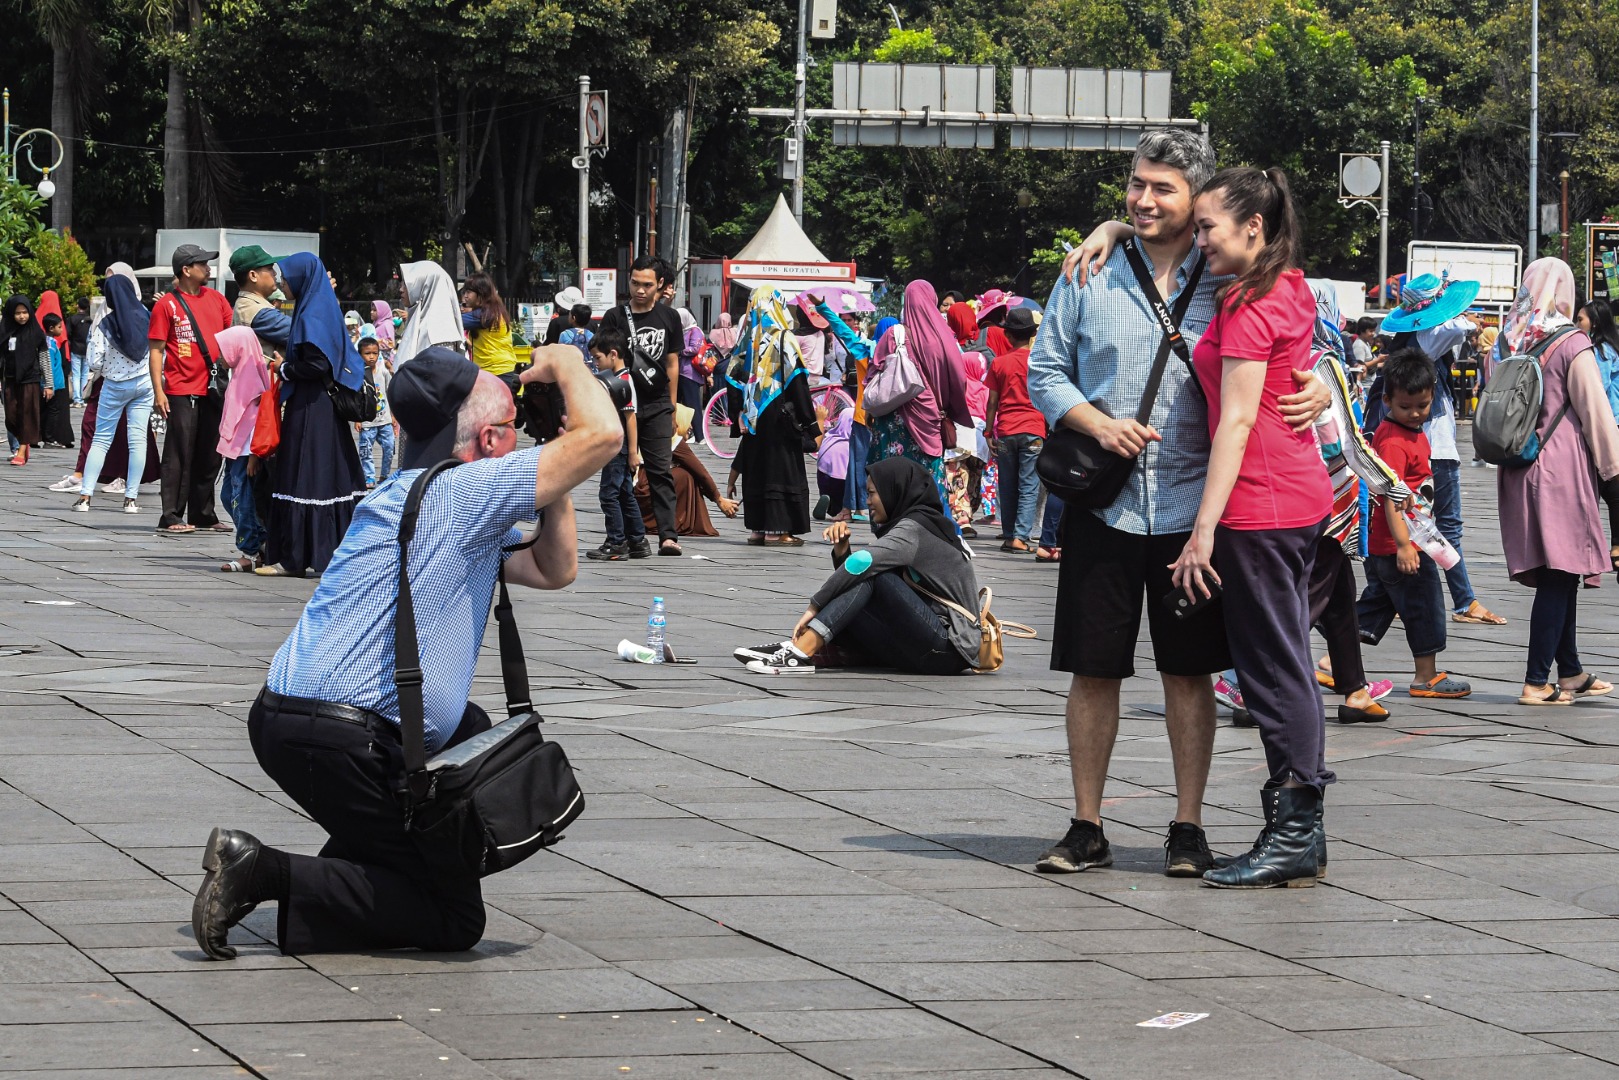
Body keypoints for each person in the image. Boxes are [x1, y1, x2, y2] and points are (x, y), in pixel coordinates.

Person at [189, 345, 621, 959]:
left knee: (431, 825)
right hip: (344, 738)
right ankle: (260, 871)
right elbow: (603, 434)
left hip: (307, 724)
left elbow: (553, 567)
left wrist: (557, 464)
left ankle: (308, 889)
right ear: (491, 441)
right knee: (452, 914)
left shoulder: (423, 493)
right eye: (514, 430)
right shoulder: (461, 496)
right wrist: (568, 363)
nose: (523, 439)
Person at [1030, 129, 1330, 879]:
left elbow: (1298, 344)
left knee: (1186, 673)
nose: (1141, 199)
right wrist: (1096, 422)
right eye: (1134, 185)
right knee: (1092, 668)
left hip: (1197, 507)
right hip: (1104, 502)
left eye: (1162, 188)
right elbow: (1044, 371)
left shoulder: (1226, 269)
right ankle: (1086, 823)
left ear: (1197, 199)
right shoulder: (1088, 269)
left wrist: (1325, 384)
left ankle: (1187, 828)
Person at [1166, 166, 1332, 889]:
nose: (1198, 239)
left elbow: (1234, 420)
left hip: (1260, 504)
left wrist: (1203, 529)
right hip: (1290, 497)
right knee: (1282, 662)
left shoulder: (1251, 305)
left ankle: (1295, 826)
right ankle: (1298, 829)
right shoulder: (1283, 285)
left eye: (1207, 227)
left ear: (1252, 229)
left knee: (1273, 670)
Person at [1490, 259, 1619, 706]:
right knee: (1561, 572)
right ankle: (1536, 680)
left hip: (1517, 467)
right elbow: (1595, 412)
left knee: (1557, 574)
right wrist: (1613, 472)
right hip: (1560, 469)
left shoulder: (1508, 339)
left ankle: (1571, 671)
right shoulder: (1572, 341)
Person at [732, 457, 983, 676]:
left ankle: (802, 650)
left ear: (893, 490)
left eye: (873, 493)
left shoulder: (914, 530)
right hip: (926, 646)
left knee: (873, 575)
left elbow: (863, 567)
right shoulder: (918, 525)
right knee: (868, 578)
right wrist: (842, 550)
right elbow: (858, 583)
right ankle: (807, 649)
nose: (868, 501)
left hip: (949, 649)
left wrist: (813, 608)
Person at [1375, 275, 1507, 626]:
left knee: (1425, 526)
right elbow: (1458, 325)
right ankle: (1464, 601)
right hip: (1435, 450)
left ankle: (1456, 599)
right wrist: (1468, 318)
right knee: (1444, 525)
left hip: (1429, 447)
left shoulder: (1410, 340)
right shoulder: (1428, 338)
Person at [1355, 349, 1471, 701]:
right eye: (1406, 407)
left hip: (1398, 541)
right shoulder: (1392, 440)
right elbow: (1391, 497)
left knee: (1378, 605)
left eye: (1422, 405)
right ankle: (1426, 676)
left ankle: (1333, 658)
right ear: (1387, 399)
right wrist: (1405, 546)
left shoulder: (1412, 432)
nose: (1415, 412)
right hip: (1400, 544)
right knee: (1423, 605)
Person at [258, 252, 369, 578]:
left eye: (285, 278)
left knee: (305, 473)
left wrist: (285, 368)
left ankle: (299, 554)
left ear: (302, 279)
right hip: (322, 406)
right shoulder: (322, 307)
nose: (281, 285)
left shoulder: (312, 315)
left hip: (312, 407)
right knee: (328, 474)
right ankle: (324, 551)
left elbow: (317, 364)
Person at [597, 256, 683, 555]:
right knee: (617, 471)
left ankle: (668, 536)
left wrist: (672, 407)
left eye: (647, 285)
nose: (640, 290)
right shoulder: (614, 316)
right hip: (621, 404)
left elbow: (672, 363)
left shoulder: (669, 318)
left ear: (660, 285)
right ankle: (625, 536)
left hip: (658, 403)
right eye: (635, 283)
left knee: (660, 470)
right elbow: (603, 362)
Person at [723, 288, 819, 546]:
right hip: (779, 414)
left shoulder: (747, 339)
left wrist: (738, 414)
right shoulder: (784, 338)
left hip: (754, 415)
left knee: (757, 467)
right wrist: (811, 423)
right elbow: (797, 381)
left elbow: (731, 377)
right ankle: (778, 531)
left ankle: (757, 529)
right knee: (782, 467)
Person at [869, 281, 972, 519]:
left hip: (893, 419)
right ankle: (929, 525)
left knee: (891, 478)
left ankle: (892, 526)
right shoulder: (944, 338)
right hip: (930, 419)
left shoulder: (894, 334)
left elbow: (875, 369)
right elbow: (958, 377)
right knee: (928, 477)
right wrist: (946, 405)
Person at [149, 243, 233, 536]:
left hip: (213, 388)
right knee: (178, 452)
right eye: (203, 263)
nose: (208, 268)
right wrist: (158, 391)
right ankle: (171, 514)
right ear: (186, 270)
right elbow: (157, 350)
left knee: (210, 452)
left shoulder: (218, 299)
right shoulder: (166, 305)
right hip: (181, 389)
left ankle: (203, 513)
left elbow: (229, 338)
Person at [73, 267, 155, 514]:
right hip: (144, 385)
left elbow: (95, 361)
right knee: (137, 440)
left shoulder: (106, 324)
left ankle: (85, 496)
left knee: (101, 439)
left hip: (114, 385)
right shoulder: (147, 317)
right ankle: (130, 499)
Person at [584, 330, 650, 562]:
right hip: (619, 446)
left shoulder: (622, 381)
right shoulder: (618, 378)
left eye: (598, 358)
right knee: (624, 493)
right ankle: (638, 540)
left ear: (613, 354)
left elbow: (630, 418)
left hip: (619, 447)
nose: (595, 362)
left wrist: (633, 452)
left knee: (608, 494)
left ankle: (616, 541)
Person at [210, 326, 271, 569]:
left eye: (225, 351)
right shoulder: (240, 376)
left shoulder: (251, 380)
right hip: (236, 450)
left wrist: (255, 455)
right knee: (229, 496)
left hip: (246, 452)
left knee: (240, 498)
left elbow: (257, 420)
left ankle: (249, 552)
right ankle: (263, 542)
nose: (221, 357)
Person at [984, 307, 1044, 553]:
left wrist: (989, 432)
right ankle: (1020, 536)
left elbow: (992, 402)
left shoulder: (999, 362)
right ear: (1032, 334)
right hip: (1034, 429)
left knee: (1007, 484)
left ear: (1008, 335)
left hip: (1007, 430)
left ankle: (1010, 534)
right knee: (1029, 485)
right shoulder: (1038, 362)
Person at [636, 421, 740, 538]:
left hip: (638, 487)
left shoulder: (650, 430)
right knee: (687, 474)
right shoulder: (672, 439)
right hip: (646, 489)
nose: (691, 426)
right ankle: (676, 521)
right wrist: (719, 499)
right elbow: (701, 473)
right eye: (688, 421)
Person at [3, 296, 49, 465]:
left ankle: (22, 449)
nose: (22, 316)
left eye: (25, 312)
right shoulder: (6, 331)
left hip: (30, 378)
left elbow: (44, 358)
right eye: (17, 313)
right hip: (10, 378)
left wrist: (49, 384)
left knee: (27, 414)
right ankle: (24, 440)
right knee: (11, 416)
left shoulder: (36, 332)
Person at [396, 261, 466, 363]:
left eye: (406, 284)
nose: (401, 289)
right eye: (401, 284)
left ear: (425, 287)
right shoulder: (419, 321)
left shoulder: (438, 334)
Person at [460, 273, 519, 377]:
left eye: (469, 292)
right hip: (498, 370)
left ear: (481, 293)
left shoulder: (485, 315)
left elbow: (454, 321)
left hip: (497, 372)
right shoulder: (493, 310)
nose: (465, 296)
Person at [355, 336, 395, 488]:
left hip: (384, 419)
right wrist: (357, 419)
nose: (371, 357)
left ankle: (384, 475)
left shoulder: (383, 372)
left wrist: (393, 415)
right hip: (367, 421)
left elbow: (388, 392)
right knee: (366, 450)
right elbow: (356, 398)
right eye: (367, 353)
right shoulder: (358, 374)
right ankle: (369, 477)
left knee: (389, 447)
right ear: (360, 354)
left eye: (374, 353)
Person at [1576, 299, 1619, 422]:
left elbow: (1600, 385)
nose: (1577, 325)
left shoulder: (1603, 351)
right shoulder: (1609, 346)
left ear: (1594, 323)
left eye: (1580, 320)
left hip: (1611, 416)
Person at [39, 313, 75, 448]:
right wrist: (50, 385)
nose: (62, 330)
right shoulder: (48, 344)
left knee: (53, 410)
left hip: (57, 382)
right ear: (51, 328)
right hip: (52, 384)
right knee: (52, 411)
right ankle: (49, 439)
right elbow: (48, 366)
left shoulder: (53, 342)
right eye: (59, 327)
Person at [676, 307, 707, 411]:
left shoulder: (695, 330)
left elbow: (695, 349)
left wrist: (679, 351)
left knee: (692, 407)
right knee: (680, 406)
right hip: (681, 372)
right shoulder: (684, 331)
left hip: (690, 374)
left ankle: (698, 427)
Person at [67, 296, 92, 405]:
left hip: (75, 348)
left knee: (76, 374)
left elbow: (68, 334)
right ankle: (83, 397)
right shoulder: (90, 320)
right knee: (85, 374)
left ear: (78, 306)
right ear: (87, 307)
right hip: (87, 350)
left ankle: (77, 399)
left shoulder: (72, 319)